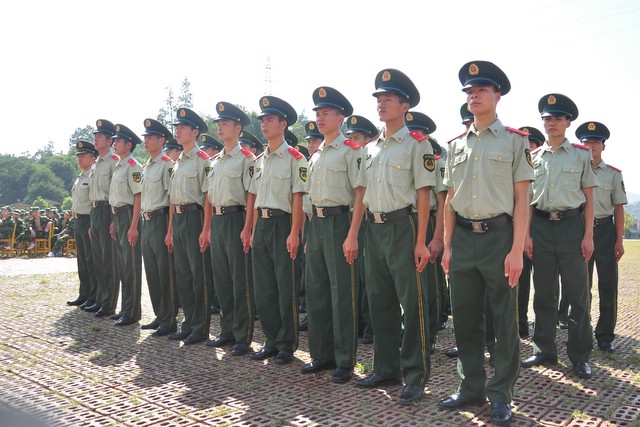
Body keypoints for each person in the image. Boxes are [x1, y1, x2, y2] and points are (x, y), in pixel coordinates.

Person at [438, 61, 533, 425]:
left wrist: (516, 249)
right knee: (464, 318)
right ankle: (470, 387)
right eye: (470, 91)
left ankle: (501, 395)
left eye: (481, 90)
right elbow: (449, 199)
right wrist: (448, 246)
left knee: (503, 320)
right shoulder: (455, 145)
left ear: (497, 96)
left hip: (499, 238)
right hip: (463, 239)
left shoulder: (515, 141)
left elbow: (522, 199)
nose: (474, 96)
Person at [354, 68, 434, 406]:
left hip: (404, 226)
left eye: (388, 99)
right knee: (379, 300)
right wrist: (354, 234)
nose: (381, 104)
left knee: (412, 303)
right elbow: (361, 194)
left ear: (405, 106)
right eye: (378, 99)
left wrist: (421, 241)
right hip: (373, 227)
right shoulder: (370, 148)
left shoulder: (417, 144)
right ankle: (385, 368)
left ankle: (414, 376)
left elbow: (424, 193)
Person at [523, 93, 598, 380]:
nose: (551, 123)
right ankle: (544, 350)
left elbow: (589, 199)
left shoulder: (581, 155)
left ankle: (579, 355)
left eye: (557, 118)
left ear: (568, 122)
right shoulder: (533, 157)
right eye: (547, 119)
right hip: (541, 228)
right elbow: (528, 200)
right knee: (543, 293)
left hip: (571, 228)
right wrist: (527, 235)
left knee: (577, 294)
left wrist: (588, 235)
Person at [300, 86, 363, 384]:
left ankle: (344, 360)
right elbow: (309, 197)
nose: (320, 118)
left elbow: (360, 195)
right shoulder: (315, 155)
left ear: (341, 117)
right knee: (317, 291)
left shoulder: (351, 151)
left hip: (340, 222)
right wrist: (309, 234)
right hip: (317, 224)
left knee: (342, 293)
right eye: (318, 113)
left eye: (326, 113)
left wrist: (352, 235)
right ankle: (321, 354)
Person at [248, 96, 307, 365]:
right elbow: (253, 198)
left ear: (283, 124)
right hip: (262, 224)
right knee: (264, 287)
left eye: (270, 120)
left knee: (285, 286)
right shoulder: (260, 160)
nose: (264, 124)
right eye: (262, 120)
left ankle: (286, 343)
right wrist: (251, 229)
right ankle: (270, 340)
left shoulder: (295, 158)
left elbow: (298, 198)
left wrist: (295, 232)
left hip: (283, 224)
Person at [199, 101, 256, 356]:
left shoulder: (246, 159)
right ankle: (227, 330)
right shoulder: (215, 161)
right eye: (219, 124)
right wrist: (206, 228)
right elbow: (209, 198)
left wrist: (247, 227)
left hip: (236, 219)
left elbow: (251, 195)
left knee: (239, 281)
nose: (220, 128)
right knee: (222, 280)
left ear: (238, 128)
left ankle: (243, 336)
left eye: (225, 123)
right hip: (218, 221)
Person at [575, 121, 626, 352]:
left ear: (603, 146)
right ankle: (581, 333)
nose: (591, 146)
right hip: (579, 230)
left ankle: (605, 335)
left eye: (595, 142)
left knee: (608, 285)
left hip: (605, 231)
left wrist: (619, 240)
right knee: (580, 286)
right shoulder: (575, 171)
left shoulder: (613, 174)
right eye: (586, 142)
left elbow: (618, 208)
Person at [165, 107, 213, 345]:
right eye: (177, 127)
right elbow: (173, 199)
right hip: (179, 219)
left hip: (195, 218)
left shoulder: (203, 160)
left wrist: (206, 229)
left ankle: (201, 327)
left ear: (195, 132)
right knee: (183, 275)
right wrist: (170, 230)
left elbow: (208, 197)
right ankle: (188, 323)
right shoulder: (178, 162)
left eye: (183, 127)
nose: (178, 131)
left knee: (198, 275)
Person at [405, 111, 447, 355]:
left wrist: (437, 237)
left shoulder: (436, 161)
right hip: (407, 220)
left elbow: (442, 202)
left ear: (426, 136)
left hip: (429, 221)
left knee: (430, 281)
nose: (412, 135)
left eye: (417, 132)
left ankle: (430, 332)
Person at [140, 118, 178, 336]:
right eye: (145, 138)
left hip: (161, 219)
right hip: (146, 221)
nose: (146, 141)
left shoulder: (166, 165)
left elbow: (172, 199)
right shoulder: (146, 166)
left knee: (165, 272)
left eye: (151, 138)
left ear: (162, 140)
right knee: (152, 272)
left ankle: (169, 319)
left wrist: (170, 230)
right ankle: (159, 314)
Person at [345, 115, 379, 345]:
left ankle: (370, 324)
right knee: (354, 274)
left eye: (357, 138)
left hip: (369, 220)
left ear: (368, 139)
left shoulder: (369, 156)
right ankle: (358, 320)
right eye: (351, 137)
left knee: (369, 275)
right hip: (350, 219)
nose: (353, 142)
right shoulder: (352, 156)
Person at [109, 124, 143, 326]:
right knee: (122, 266)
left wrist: (134, 226)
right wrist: (114, 222)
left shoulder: (133, 166)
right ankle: (125, 308)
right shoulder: (118, 166)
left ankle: (132, 312)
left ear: (128, 145)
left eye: (118, 141)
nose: (114, 144)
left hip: (129, 215)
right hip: (118, 216)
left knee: (131, 266)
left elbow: (138, 196)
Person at [85, 119, 120, 317]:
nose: (96, 139)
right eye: (95, 136)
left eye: (100, 136)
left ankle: (109, 304)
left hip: (108, 210)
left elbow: (115, 192)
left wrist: (114, 219)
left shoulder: (114, 161)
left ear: (109, 140)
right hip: (95, 211)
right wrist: (92, 222)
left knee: (109, 260)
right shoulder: (96, 163)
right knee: (98, 260)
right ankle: (100, 299)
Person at [516, 126, 545, 338]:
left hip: (542, 227)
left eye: (531, 144)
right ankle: (521, 323)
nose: (528, 148)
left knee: (544, 282)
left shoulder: (546, 164)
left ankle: (545, 326)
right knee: (520, 280)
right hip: (519, 228)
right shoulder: (514, 164)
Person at [67, 142, 99, 306]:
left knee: (90, 259)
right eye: (78, 156)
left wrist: (93, 224)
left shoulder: (93, 176)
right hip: (78, 220)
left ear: (93, 158)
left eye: (83, 155)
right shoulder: (80, 177)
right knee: (82, 260)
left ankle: (93, 296)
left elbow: (94, 202)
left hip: (88, 219)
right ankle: (84, 294)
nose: (80, 158)